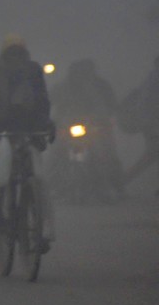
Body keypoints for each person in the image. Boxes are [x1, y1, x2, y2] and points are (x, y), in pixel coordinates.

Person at [0, 34, 55, 246]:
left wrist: (47, 122)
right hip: (1, 129)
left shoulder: (33, 71)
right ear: (4, 54)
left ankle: (42, 229)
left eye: (19, 53)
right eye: (11, 53)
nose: (15, 57)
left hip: (29, 128)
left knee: (38, 178)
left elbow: (42, 99)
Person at [51, 58, 125, 199]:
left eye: (86, 72)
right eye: (79, 72)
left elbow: (111, 105)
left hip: (94, 127)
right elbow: (49, 102)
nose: (82, 76)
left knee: (106, 152)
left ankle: (115, 184)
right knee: (56, 153)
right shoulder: (62, 87)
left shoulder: (100, 86)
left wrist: (105, 119)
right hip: (68, 127)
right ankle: (54, 184)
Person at [122, 54, 159, 196]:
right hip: (153, 123)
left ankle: (122, 181)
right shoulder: (154, 81)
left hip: (149, 123)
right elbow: (149, 105)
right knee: (151, 155)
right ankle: (122, 182)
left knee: (151, 155)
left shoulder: (151, 79)